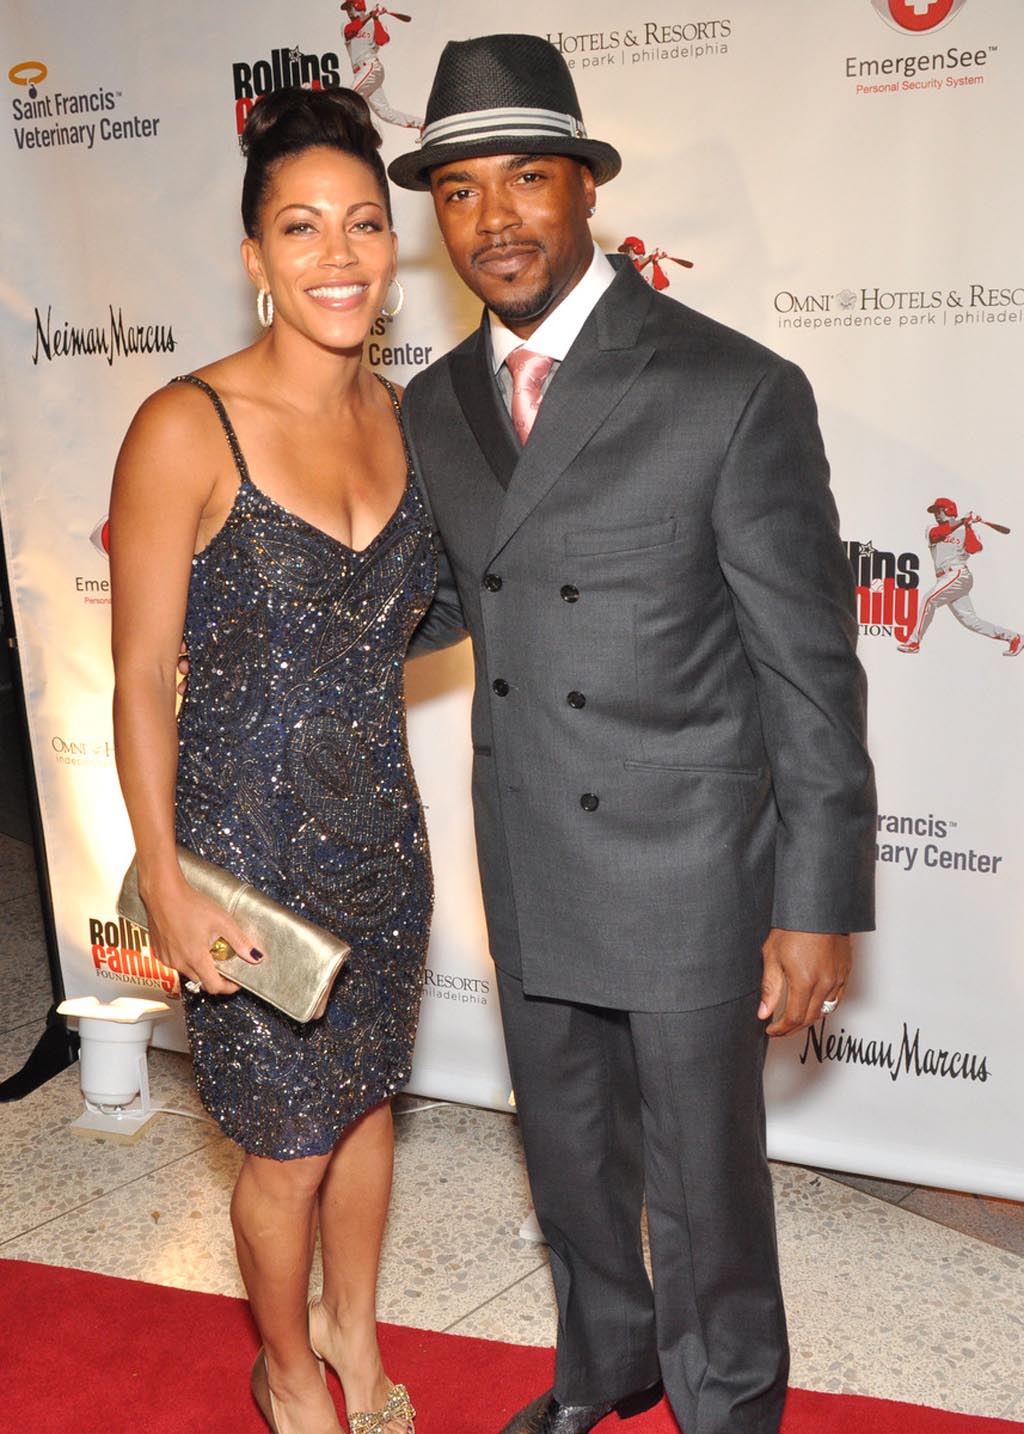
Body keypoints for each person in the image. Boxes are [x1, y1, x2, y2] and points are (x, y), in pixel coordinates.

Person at [391, 34, 877, 1434]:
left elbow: (812, 670)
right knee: (567, 1154)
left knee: (704, 1181)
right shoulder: (434, 403)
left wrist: (817, 900)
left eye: (527, 179)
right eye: (463, 192)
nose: (497, 221)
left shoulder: (731, 387)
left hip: (691, 861)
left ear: (586, 187)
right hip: (533, 840)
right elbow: (438, 601)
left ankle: (727, 1401)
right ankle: (603, 1366)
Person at [110, 85, 431, 1434]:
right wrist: (165, 879)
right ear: (254, 258)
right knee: (288, 1146)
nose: (339, 255)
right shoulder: (186, 424)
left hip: (383, 842)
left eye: (365, 224)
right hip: (242, 858)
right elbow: (134, 677)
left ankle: (351, 1333)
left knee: (364, 1115)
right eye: (301, 228)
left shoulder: (409, 417)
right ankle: (285, 1366)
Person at [897, 497, 1020, 655]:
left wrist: (968, 525)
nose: (936, 514)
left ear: (949, 510)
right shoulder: (931, 528)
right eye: (934, 511)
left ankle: (914, 642)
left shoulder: (964, 529)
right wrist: (963, 520)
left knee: (929, 600)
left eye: (939, 510)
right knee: (972, 622)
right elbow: (939, 533)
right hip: (944, 579)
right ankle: (1014, 637)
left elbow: (974, 548)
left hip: (958, 574)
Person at [341, 1, 422, 131]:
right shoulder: (346, 25)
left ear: (358, 6)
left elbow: (382, 40)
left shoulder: (373, 22)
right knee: (385, 112)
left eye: (350, 7)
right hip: (361, 74)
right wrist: (371, 14)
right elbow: (350, 31)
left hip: (371, 67)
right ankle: (421, 124)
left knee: (350, 97)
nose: (348, 11)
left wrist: (376, 18)